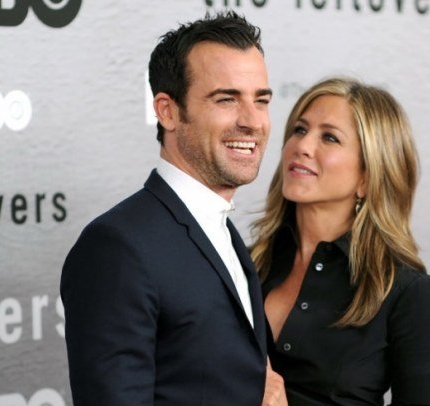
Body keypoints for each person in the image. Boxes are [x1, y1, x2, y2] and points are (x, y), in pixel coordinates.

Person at [61, 11, 275, 405]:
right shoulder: (117, 247)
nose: (252, 121)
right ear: (167, 111)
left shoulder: (221, 229)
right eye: (226, 99)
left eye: (260, 100)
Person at [251, 77, 430, 405]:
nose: (302, 146)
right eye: (299, 129)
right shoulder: (246, 262)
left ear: (367, 177)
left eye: (329, 137)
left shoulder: (404, 291)